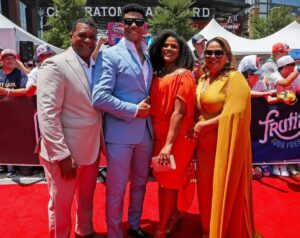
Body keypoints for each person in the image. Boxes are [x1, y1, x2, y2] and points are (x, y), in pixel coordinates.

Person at [37, 18, 104, 238]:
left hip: (90, 149)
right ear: (71, 36)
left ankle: (84, 231)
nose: (88, 40)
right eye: (82, 35)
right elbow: (48, 114)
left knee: (86, 196)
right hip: (64, 153)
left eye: (92, 37)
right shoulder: (54, 65)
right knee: (61, 204)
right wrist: (61, 154)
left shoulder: (95, 65)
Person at [92, 4, 153, 238]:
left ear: (145, 26)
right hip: (119, 134)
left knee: (140, 185)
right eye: (128, 22)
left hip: (145, 134)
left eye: (138, 21)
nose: (133, 25)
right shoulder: (109, 54)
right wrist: (134, 110)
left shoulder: (147, 56)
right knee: (116, 189)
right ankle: (114, 233)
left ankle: (135, 226)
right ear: (121, 26)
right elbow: (99, 97)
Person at [191, 37, 259, 237]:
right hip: (204, 147)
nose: (212, 56)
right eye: (209, 53)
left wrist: (205, 124)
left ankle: (224, 231)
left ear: (227, 56)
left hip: (226, 146)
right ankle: (209, 229)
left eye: (218, 53)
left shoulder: (234, 78)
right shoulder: (203, 79)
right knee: (206, 191)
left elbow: (235, 113)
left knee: (225, 188)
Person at [149, 30, 196, 238]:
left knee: (167, 183)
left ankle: (161, 227)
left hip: (175, 140)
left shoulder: (184, 75)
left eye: (174, 46)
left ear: (181, 51)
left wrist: (168, 144)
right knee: (165, 182)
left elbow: (179, 112)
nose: (168, 49)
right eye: (165, 45)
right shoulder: (157, 75)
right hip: (159, 137)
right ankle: (173, 215)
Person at [0, 48, 28, 178]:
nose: (10, 60)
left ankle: (17, 165)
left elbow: (26, 91)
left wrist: (7, 92)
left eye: (12, 58)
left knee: (17, 140)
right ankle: (5, 165)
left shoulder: (19, 73)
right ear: (2, 61)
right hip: (2, 114)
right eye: (7, 58)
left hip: (16, 113)